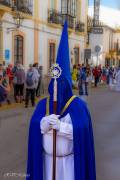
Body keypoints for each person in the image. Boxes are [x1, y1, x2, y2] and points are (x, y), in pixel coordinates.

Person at [26, 21, 96, 180]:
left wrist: (62, 127)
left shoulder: (78, 106)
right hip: (47, 163)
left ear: (68, 83)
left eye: (62, 83)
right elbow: (34, 126)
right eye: (55, 83)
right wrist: (42, 123)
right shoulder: (44, 105)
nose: (58, 87)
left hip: (69, 165)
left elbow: (83, 131)